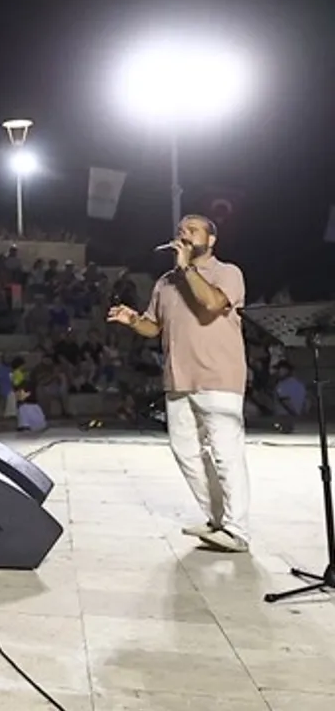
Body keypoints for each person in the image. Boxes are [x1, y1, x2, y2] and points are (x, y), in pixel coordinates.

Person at [108, 214, 250, 553]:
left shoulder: (227, 272)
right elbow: (153, 326)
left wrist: (187, 268)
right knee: (186, 453)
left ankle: (237, 530)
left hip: (219, 377)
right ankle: (217, 519)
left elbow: (212, 304)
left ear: (211, 240)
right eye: (181, 230)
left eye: (193, 230)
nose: (184, 234)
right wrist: (133, 320)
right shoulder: (165, 282)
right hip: (178, 378)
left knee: (225, 454)